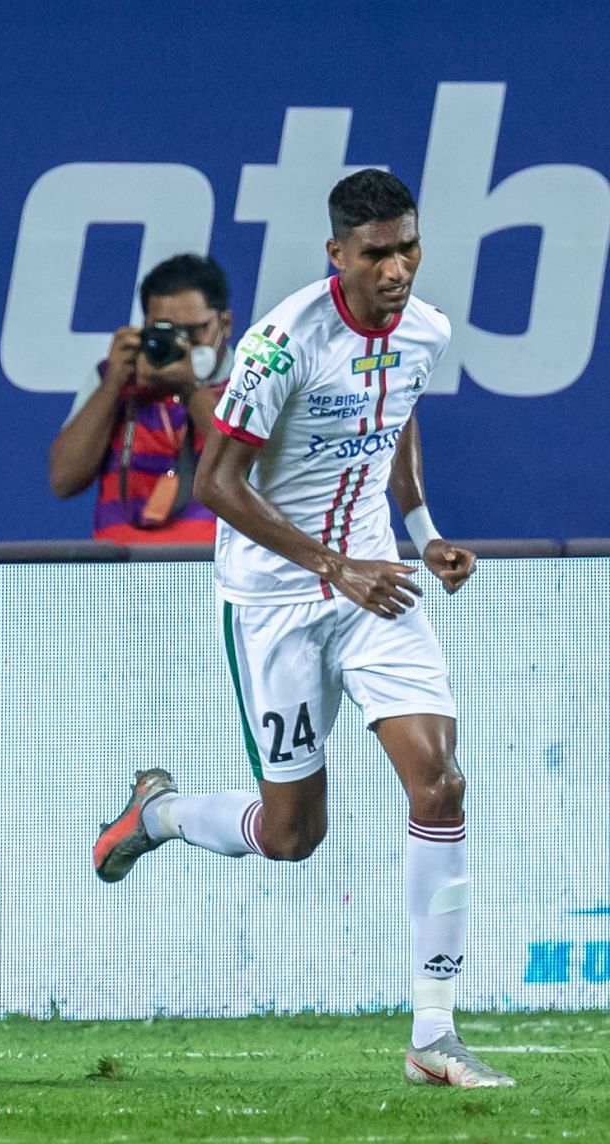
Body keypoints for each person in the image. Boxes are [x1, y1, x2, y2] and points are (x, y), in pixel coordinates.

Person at [91, 169, 512, 1089]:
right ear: (337, 255)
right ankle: (158, 813)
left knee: (439, 786)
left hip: (377, 589)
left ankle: (433, 1032)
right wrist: (332, 565)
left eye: (407, 248)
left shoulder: (426, 332)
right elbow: (214, 484)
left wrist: (425, 533)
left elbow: (393, 423)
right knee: (291, 837)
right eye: (375, 253)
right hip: (277, 601)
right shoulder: (283, 345)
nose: (395, 268)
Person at [47, 254, 232, 544]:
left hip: (212, 571)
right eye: (167, 330)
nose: (182, 343)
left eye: (195, 331)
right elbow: (63, 480)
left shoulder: (248, 380)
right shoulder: (114, 378)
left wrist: (190, 389)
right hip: (123, 574)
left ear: (225, 323)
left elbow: (248, 469)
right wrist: (113, 384)